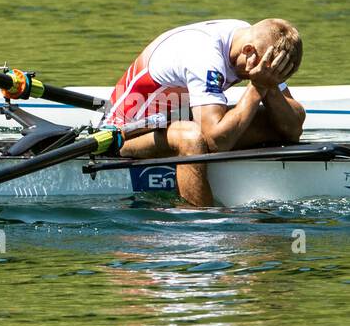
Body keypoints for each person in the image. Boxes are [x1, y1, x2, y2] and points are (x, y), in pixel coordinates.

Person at [107, 18, 305, 205]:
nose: (266, 75)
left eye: (275, 75)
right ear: (248, 50)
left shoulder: (255, 42)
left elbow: (293, 127)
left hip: (177, 118)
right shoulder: (204, 55)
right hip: (126, 132)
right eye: (268, 72)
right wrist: (258, 87)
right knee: (192, 138)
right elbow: (215, 141)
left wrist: (268, 85)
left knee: (273, 119)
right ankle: (202, 225)